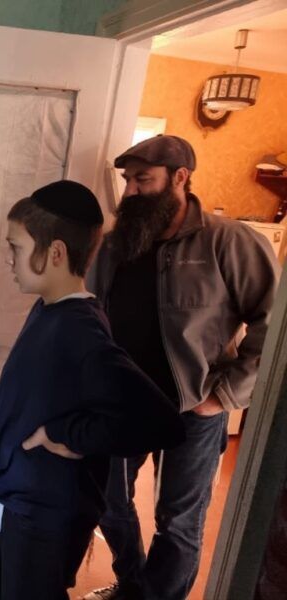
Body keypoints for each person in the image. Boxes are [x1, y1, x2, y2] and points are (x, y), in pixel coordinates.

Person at [83, 135, 280, 600]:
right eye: (128, 180)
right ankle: (134, 584)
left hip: (194, 409)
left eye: (143, 180)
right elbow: (91, 314)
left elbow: (273, 323)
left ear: (180, 177)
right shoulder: (115, 246)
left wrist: (224, 396)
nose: (131, 191)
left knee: (178, 522)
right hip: (124, 404)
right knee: (106, 501)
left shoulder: (228, 242)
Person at [0, 180, 184, 600]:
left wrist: (68, 435)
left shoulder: (80, 329)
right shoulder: (49, 309)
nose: (9, 258)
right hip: (21, 501)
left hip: (46, 516)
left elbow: (162, 422)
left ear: (55, 253)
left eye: (16, 247)